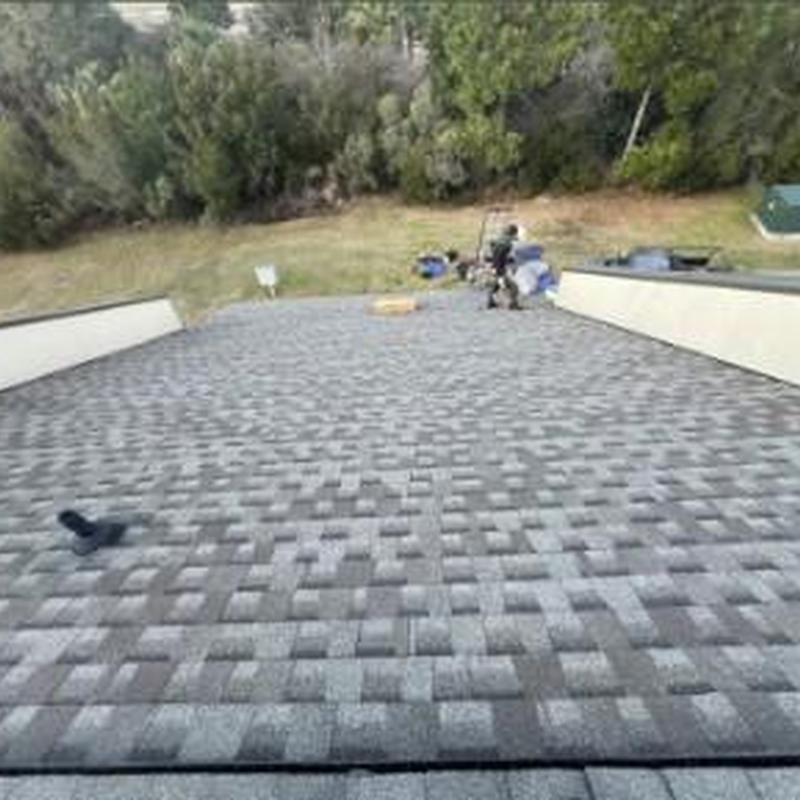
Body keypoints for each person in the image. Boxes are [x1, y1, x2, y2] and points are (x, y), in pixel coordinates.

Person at [487, 224, 521, 309]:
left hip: (495, 266)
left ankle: (490, 302)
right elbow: (500, 256)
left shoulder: (500, 240)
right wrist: (499, 270)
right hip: (500, 268)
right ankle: (513, 304)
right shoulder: (506, 243)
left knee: (495, 285)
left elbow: (498, 254)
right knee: (514, 287)